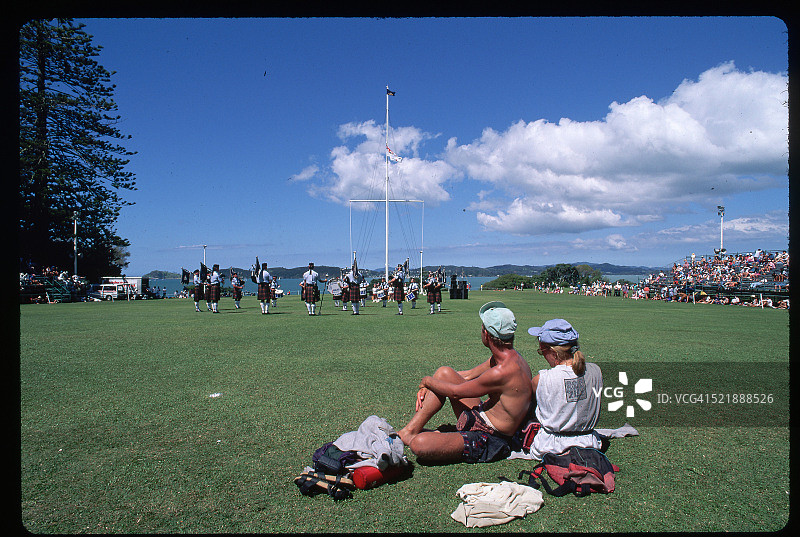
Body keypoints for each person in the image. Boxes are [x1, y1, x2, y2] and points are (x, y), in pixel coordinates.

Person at [397, 302, 532, 464]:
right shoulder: (509, 358)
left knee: (420, 445)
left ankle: (433, 435)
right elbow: (467, 376)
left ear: (486, 334)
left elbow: (456, 392)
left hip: (492, 438)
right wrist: (433, 382)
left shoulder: (501, 372)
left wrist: (426, 381)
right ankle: (410, 431)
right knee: (443, 373)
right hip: (483, 417)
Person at [526, 319, 603, 460]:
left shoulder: (543, 379)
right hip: (589, 444)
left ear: (553, 352)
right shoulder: (596, 371)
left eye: (542, 351)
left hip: (550, 447)